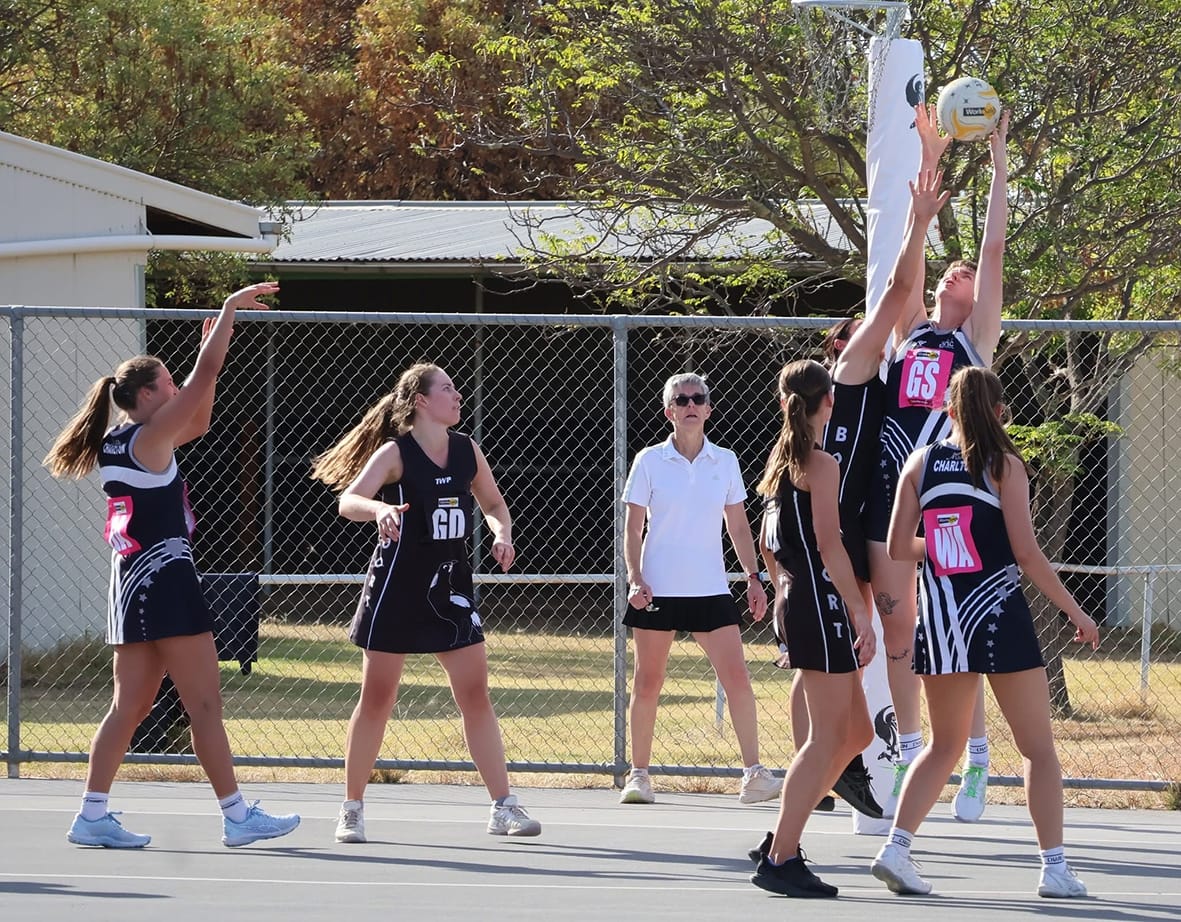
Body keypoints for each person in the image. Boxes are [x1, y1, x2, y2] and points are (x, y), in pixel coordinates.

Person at [44, 282, 301, 849]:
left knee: (130, 705)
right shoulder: (149, 438)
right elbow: (204, 383)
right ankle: (237, 816)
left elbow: (200, 418)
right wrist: (230, 314)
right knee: (203, 701)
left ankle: (91, 813)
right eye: (167, 381)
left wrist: (202, 366)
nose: (176, 386)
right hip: (164, 580)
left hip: (130, 583)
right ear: (149, 393)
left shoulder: (124, 437)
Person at [871, 366, 1099, 898]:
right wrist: (1076, 611)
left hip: (943, 619)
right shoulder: (1005, 466)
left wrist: (947, 549)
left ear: (947, 411)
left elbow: (899, 546)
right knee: (1038, 749)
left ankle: (896, 850)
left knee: (944, 745)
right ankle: (1054, 867)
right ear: (999, 411)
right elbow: (1025, 552)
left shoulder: (919, 462)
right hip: (998, 615)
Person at [773, 167, 953, 824]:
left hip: (842, 541)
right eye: (853, 333)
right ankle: (809, 783)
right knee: (828, 687)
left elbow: (910, 306)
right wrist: (918, 218)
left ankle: (831, 768)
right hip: (824, 552)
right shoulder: (847, 379)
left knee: (833, 694)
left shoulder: (865, 393)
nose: (868, 335)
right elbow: (900, 290)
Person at [310, 362, 541, 842]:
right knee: (377, 699)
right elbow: (348, 500)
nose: (458, 396)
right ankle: (351, 808)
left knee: (476, 696)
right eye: (448, 389)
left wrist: (503, 532)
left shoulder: (466, 450)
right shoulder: (396, 453)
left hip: (450, 587)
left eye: (456, 388)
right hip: (397, 586)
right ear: (421, 401)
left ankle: (504, 806)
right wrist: (381, 509)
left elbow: (495, 504)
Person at [865, 105, 1011, 820]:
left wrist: (998, 162)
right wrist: (928, 158)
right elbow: (909, 257)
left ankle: (974, 758)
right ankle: (911, 751)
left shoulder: (976, 339)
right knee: (901, 628)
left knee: (957, 634)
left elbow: (991, 250)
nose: (958, 273)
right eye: (946, 272)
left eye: (965, 274)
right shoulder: (913, 328)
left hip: (957, 489)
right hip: (907, 486)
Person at [619, 373, 778, 806]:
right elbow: (633, 527)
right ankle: (639, 776)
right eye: (681, 399)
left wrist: (753, 576)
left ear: (708, 409)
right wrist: (636, 577)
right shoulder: (649, 460)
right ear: (669, 411)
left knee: (738, 678)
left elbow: (739, 525)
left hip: (711, 590)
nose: (690, 404)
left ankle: (754, 775)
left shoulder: (724, 460)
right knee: (648, 682)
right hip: (658, 590)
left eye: (698, 398)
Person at [748, 360, 876, 899]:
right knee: (826, 738)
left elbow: (766, 544)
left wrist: (781, 589)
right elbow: (829, 544)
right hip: (821, 604)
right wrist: (857, 610)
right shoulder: (819, 464)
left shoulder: (781, 461)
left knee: (858, 735)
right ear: (828, 402)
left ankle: (781, 834)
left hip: (804, 599)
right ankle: (781, 858)